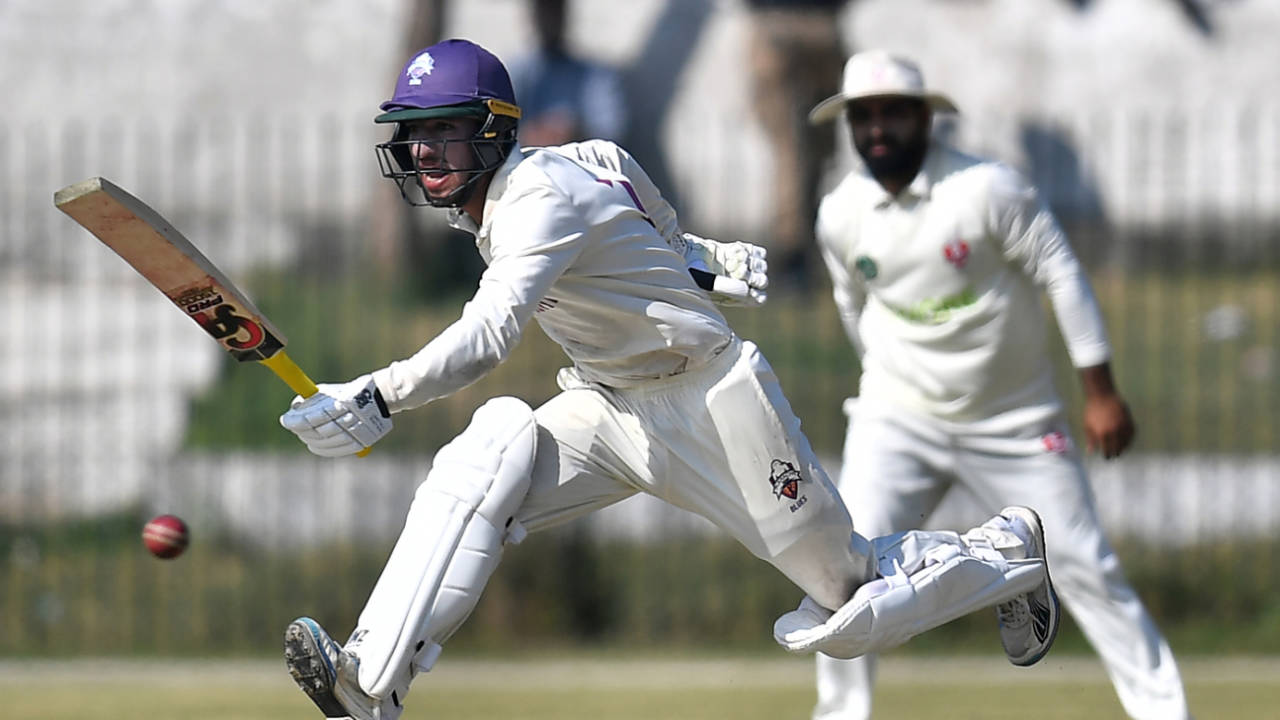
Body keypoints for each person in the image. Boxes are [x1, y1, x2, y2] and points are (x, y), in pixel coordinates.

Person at [277, 39, 1060, 720]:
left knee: (845, 611)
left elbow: (488, 337)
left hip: (712, 404)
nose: (422, 152)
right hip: (608, 410)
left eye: (443, 131)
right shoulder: (576, 165)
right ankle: (370, 684)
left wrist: (377, 393)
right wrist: (693, 259)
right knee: (488, 452)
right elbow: (624, 177)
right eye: (414, 135)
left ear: (494, 130)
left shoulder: (536, 201)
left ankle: (1005, 553)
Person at [807, 50, 1190, 720]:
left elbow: (1061, 273)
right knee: (842, 575)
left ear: (925, 117)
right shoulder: (840, 214)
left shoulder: (986, 189)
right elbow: (853, 306)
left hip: (1014, 420)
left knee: (1084, 567)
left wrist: (1100, 391)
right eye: (862, 116)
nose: (877, 129)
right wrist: (892, 381)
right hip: (898, 418)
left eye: (893, 112)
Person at [743, 0, 849, 288]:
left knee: (788, 149)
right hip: (821, 25)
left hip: (775, 23)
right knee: (816, 145)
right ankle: (805, 245)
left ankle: (793, 251)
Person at [508, 0, 627, 147]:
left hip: (582, 166)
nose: (548, 18)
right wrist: (530, 134)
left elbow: (613, 130)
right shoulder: (517, 71)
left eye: (554, 10)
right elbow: (499, 127)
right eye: (543, 10)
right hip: (527, 163)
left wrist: (575, 132)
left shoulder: (596, 75)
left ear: (565, 13)